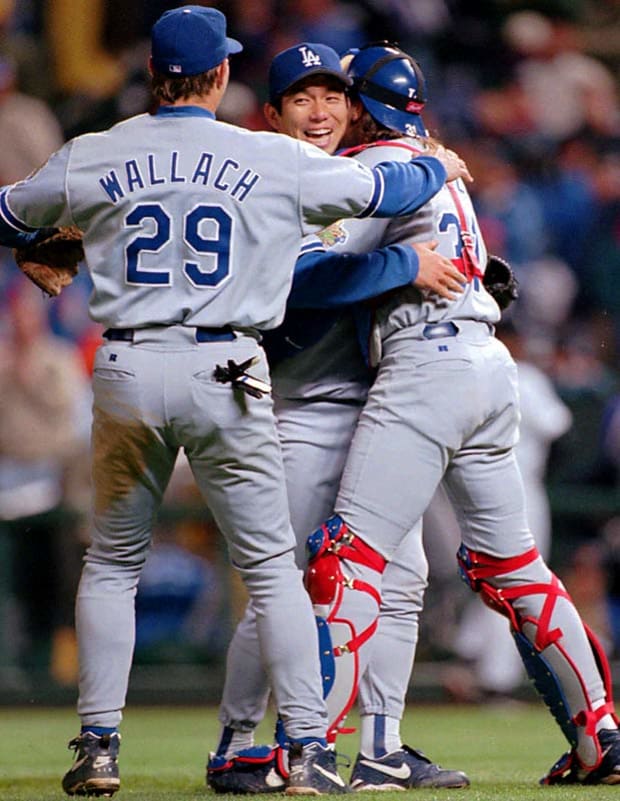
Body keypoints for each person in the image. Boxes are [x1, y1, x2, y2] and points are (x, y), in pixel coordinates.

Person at [0, 8, 470, 797]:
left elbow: (7, 211)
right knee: (272, 570)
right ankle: (311, 752)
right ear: (220, 75)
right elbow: (385, 182)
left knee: (113, 561)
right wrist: (438, 165)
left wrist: (41, 241)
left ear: (153, 74)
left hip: (125, 362)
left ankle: (99, 744)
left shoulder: (96, 152)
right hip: (226, 365)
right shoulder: (264, 155)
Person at [303, 41, 620, 787]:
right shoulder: (435, 161)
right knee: (515, 566)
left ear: (359, 105)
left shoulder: (378, 166)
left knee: (347, 559)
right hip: (487, 365)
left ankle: (306, 748)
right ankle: (599, 731)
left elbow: (309, 271)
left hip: (427, 367)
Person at [207, 42, 469, 794]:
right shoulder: (265, 178)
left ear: (352, 107)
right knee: (282, 589)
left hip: (374, 413)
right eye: (301, 98)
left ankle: (381, 745)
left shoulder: (356, 179)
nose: (319, 111)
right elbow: (295, 282)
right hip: (294, 409)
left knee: (403, 578)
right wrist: (404, 265)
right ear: (273, 113)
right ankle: (234, 743)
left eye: (332, 96)